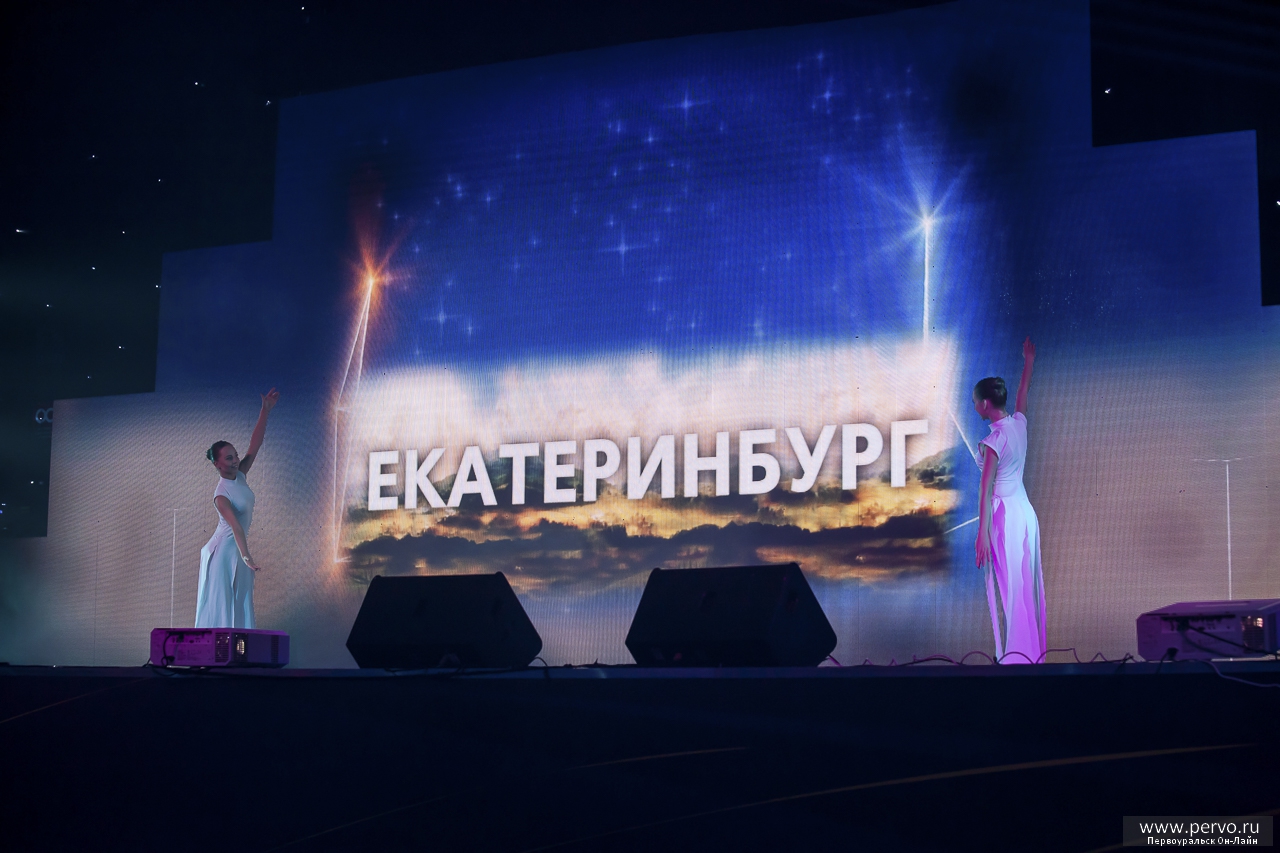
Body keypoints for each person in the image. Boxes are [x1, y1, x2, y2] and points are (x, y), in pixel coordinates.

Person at [973, 339, 1044, 664]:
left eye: (976, 402)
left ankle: (1016, 658)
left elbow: (986, 489)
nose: (975, 406)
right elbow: (1022, 392)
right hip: (1024, 512)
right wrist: (1028, 361)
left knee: (1011, 590)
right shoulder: (1018, 424)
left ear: (986, 404)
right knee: (1024, 588)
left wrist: (982, 534)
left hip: (1003, 515)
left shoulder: (994, 440)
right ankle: (1029, 655)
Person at [194, 388, 280, 629]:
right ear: (217, 464)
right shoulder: (221, 495)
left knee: (241, 601)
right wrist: (246, 556)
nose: (235, 461)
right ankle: (216, 647)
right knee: (223, 604)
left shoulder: (240, 475)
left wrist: (265, 411)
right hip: (224, 551)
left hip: (239, 550)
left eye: (235, 456)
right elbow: (236, 527)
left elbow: (255, 445)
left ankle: (239, 647)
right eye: (229, 458)